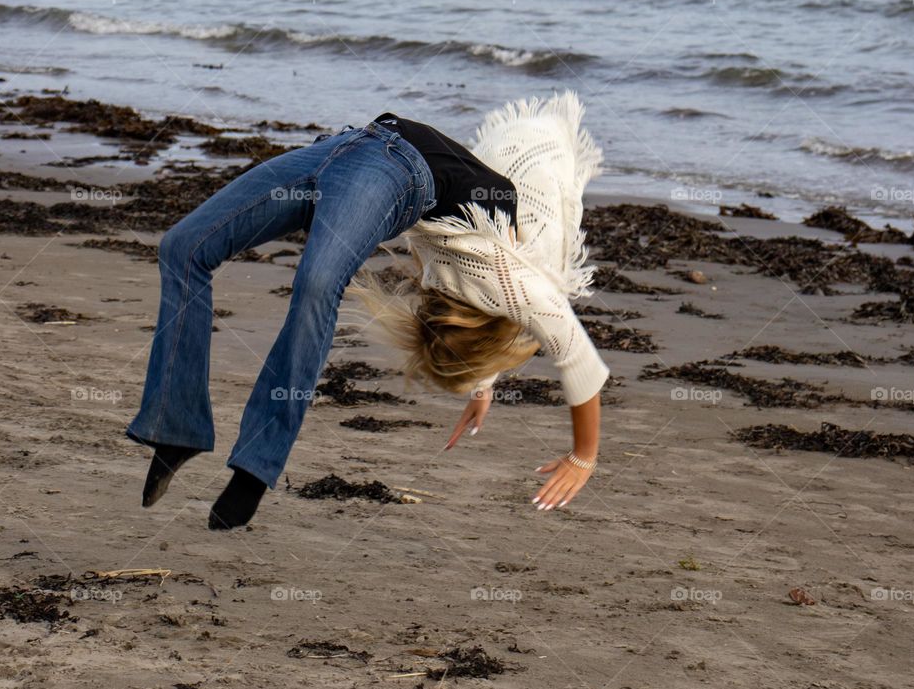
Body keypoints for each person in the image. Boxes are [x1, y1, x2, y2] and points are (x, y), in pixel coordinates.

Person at [125, 89, 609, 529]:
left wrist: (479, 379)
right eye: (440, 337)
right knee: (183, 248)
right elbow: (576, 356)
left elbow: (498, 326)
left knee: (317, 284)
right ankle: (177, 426)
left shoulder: (477, 286)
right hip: (351, 145)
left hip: (392, 175)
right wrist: (582, 456)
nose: (426, 318)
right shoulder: (514, 283)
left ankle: (255, 465)